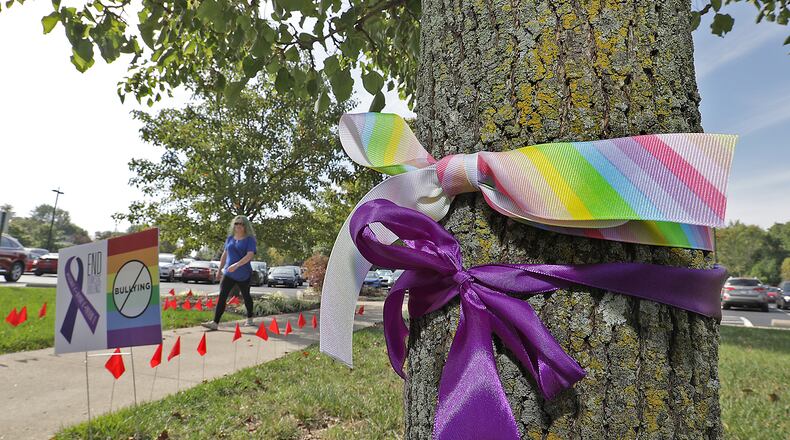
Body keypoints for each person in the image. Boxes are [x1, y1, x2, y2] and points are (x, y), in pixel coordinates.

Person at [202, 215, 257, 330]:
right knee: (222, 296)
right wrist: (219, 270)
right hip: (228, 273)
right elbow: (225, 254)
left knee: (246, 296)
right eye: (236, 223)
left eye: (241, 224)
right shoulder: (230, 239)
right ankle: (215, 323)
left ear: (245, 226)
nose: (238, 226)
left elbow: (250, 255)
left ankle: (250, 318)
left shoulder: (249, 239)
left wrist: (236, 265)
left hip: (243, 274)